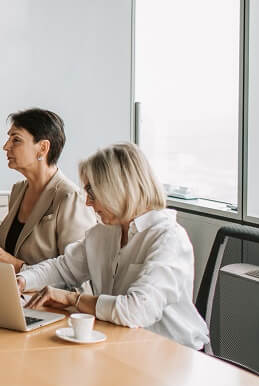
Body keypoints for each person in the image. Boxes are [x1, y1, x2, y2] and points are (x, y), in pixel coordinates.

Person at [20, 143, 209, 350]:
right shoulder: (105, 232)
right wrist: (21, 281)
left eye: (92, 193)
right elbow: (63, 268)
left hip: (172, 355)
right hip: (123, 343)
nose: (88, 204)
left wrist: (73, 299)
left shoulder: (168, 238)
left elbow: (136, 311)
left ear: (117, 188)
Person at [0, 108, 96, 272]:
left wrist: (17, 266)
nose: (6, 147)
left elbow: (79, 277)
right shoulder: (18, 190)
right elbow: (11, 255)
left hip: (41, 297)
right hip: (10, 295)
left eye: (16, 140)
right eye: (9, 139)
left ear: (43, 147)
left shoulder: (70, 197)